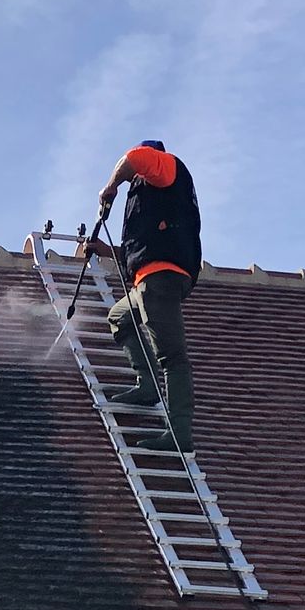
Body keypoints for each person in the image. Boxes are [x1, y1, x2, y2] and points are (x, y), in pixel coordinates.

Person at [93, 140, 201, 453]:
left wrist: (110, 187)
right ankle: (148, 387)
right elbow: (139, 250)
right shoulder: (153, 198)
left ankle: (180, 434)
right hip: (147, 280)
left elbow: (135, 158)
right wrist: (103, 251)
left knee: (172, 356)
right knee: (119, 317)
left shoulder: (167, 167)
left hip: (160, 278)